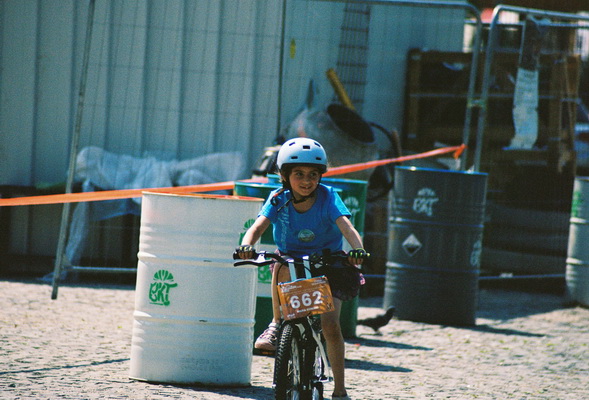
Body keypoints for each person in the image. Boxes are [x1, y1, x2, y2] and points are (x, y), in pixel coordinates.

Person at [236, 137, 368, 400]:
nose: (307, 180)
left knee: (331, 326)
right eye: (299, 174)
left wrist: (358, 250)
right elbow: (257, 227)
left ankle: (340, 389)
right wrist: (246, 245)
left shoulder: (328, 197)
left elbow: (347, 227)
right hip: (293, 260)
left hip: (329, 263)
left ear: (320, 176)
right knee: (279, 262)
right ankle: (276, 324)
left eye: (313, 174)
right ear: (285, 176)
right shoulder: (278, 198)